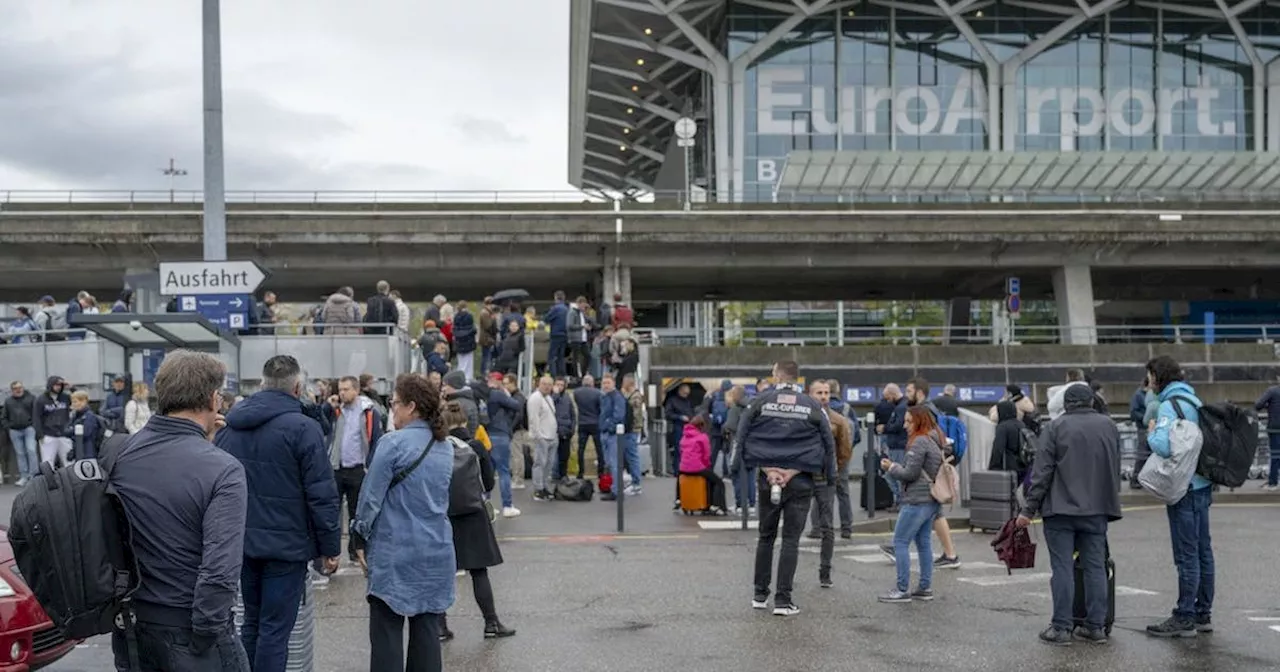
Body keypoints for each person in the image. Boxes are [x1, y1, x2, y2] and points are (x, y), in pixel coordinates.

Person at [108, 351, 250, 671]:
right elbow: (219, 569)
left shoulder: (121, 453)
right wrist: (206, 635)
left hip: (132, 628)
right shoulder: (223, 470)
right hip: (190, 629)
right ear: (214, 398)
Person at [216, 355, 341, 672]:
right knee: (275, 631)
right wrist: (330, 548)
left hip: (243, 542)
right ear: (298, 387)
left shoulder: (230, 427)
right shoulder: (303, 429)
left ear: (261, 385)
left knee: (251, 624)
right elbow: (321, 492)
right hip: (287, 547)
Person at [353, 374, 455, 672]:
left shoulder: (392, 444)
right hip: (436, 550)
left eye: (394, 403)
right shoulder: (445, 446)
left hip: (394, 550)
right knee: (427, 634)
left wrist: (359, 537)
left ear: (411, 407)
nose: (392, 409)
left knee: (386, 635)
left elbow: (370, 498)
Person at [1015, 383, 1122, 645]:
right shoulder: (1109, 426)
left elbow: (1042, 473)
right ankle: (1095, 626)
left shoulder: (1055, 427)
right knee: (1095, 567)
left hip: (1060, 509)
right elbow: (1114, 465)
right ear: (1091, 401)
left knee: (1062, 567)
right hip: (1097, 508)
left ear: (1067, 404)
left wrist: (1028, 510)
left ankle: (1061, 627)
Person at [734, 361, 836, 617]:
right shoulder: (812, 405)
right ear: (797, 377)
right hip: (800, 479)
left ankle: (759, 594)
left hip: (767, 478)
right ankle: (783, 600)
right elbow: (827, 444)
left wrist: (765, 469)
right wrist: (822, 475)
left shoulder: (760, 401)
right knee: (791, 540)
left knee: (766, 536)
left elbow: (742, 434)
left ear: (777, 375)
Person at [1143, 355, 1215, 639]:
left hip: (1183, 488)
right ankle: (1202, 613)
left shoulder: (1168, 406)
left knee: (1186, 555)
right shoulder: (1193, 401)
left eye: (1150, 377)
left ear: (1158, 377)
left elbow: (1162, 444)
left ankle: (1184, 616)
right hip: (1203, 484)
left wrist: (1151, 433)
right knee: (1203, 551)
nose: (1148, 382)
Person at [438, 401, 516, 641]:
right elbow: (489, 483)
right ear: (464, 420)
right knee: (478, 571)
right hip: (473, 514)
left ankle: (440, 627)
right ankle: (491, 623)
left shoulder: (437, 447)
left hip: (444, 515)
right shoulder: (476, 446)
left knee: (443, 572)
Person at [878, 406, 945, 604]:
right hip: (931, 500)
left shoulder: (920, 441)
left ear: (920, 421)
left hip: (916, 500)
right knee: (923, 544)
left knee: (900, 542)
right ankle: (924, 587)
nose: (905, 425)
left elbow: (910, 474)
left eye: (909, 421)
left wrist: (891, 467)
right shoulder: (935, 439)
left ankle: (901, 589)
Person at [323, 376, 385, 563]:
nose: (342, 393)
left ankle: (355, 550)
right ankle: (332, 551)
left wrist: (370, 465)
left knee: (356, 511)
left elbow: (375, 439)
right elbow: (323, 425)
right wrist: (327, 406)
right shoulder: (336, 409)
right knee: (332, 511)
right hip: (337, 467)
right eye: (340, 389)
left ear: (356, 390)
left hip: (358, 468)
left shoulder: (368, 411)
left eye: (346, 389)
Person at [804, 380, 852, 586]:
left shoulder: (838, 420)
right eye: (819, 392)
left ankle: (825, 572)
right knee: (794, 523)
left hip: (826, 477)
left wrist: (833, 469)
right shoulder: (802, 416)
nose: (824, 396)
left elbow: (844, 450)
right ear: (810, 394)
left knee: (827, 527)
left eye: (826, 392)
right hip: (803, 475)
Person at [485, 373, 523, 518]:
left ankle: (486, 504)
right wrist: (506, 392)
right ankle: (507, 506)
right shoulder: (497, 394)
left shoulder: (485, 394)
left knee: (488, 472)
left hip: (487, 434)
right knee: (504, 472)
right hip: (500, 434)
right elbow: (516, 405)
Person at [676, 415, 727, 512]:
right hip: (697, 467)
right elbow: (706, 455)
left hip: (683, 468)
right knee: (718, 482)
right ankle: (716, 506)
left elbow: (681, 452)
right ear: (701, 426)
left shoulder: (684, 436)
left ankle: (679, 500)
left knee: (681, 478)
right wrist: (707, 466)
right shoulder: (702, 437)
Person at [1255, 378, 1280, 490]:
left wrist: (1269, 406)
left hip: (1275, 428)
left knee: (1275, 455)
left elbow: (1258, 405)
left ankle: (1273, 483)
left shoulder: (1272, 391)